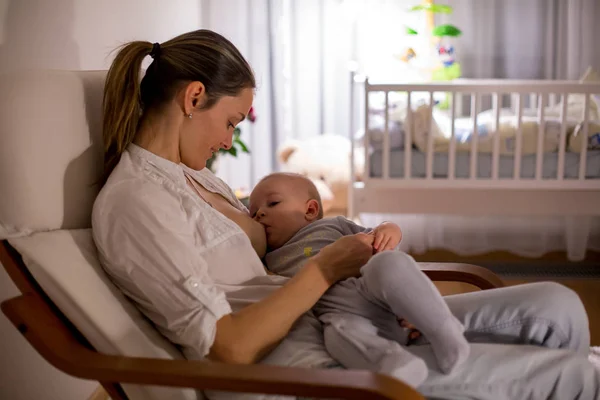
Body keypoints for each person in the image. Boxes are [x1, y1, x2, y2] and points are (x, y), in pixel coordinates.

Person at [91, 28, 600, 400]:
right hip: (307, 361)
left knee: (560, 308)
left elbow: (281, 246)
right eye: (229, 122)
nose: (229, 140)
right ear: (194, 96)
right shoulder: (137, 202)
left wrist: (387, 286)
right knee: (577, 376)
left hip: (344, 309)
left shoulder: (196, 176)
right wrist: (326, 267)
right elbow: (228, 349)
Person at [249, 172, 470, 387]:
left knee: (387, 264)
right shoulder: (267, 257)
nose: (259, 214)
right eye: (253, 212)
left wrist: (389, 229)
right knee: (335, 336)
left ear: (310, 209)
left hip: (369, 289)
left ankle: (445, 332)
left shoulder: (332, 225)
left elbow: (376, 236)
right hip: (340, 313)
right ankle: (393, 363)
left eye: (273, 203)